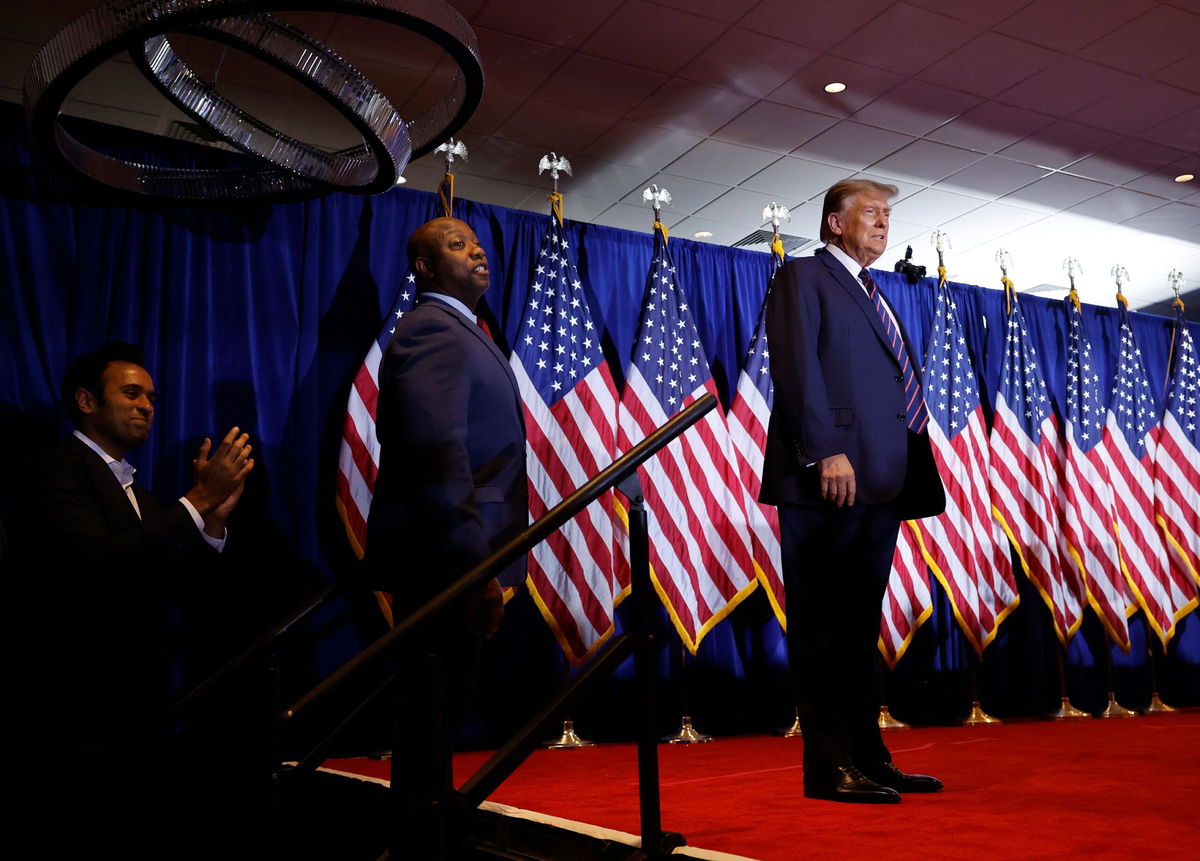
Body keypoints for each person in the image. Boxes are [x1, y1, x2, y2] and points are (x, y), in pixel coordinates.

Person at [2, 342, 254, 858]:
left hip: (134, 714)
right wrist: (198, 498)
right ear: (87, 401)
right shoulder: (57, 469)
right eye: (132, 394)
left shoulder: (138, 490)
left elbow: (176, 587)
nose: (147, 407)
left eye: (153, 398)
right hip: (70, 718)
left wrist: (214, 521)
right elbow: (98, 562)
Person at [761, 180, 947, 804]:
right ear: (835, 224)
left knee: (858, 630)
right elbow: (794, 368)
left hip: (880, 483)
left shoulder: (876, 291)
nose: (883, 222)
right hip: (827, 480)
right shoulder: (803, 277)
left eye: (888, 214)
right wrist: (823, 450)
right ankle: (828, 768)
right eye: (870, 213)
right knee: (821, 629)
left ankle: (870, 757)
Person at [363, 216, 527, 854]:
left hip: (454, 555)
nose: (477, 251)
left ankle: (430, 818)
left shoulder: (464, 329)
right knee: (431, 706)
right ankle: (422, 832)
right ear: (425, 269)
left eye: (478, 244)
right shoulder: (432, 328)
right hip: (443, 560)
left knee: (443, 707)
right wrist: (474, 568)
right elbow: (438, 454)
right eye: (457, 246)